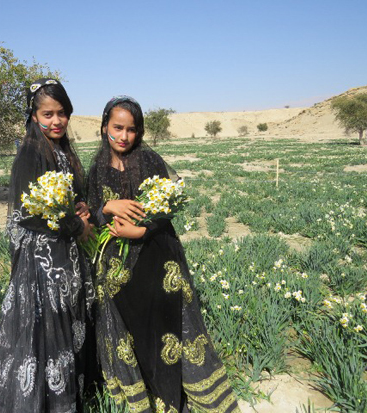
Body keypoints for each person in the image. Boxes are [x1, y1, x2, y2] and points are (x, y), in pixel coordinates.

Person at [87, 96, 239, 412]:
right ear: (105, 128)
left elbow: (166, 206)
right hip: (115, 266)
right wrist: (106, 207)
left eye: (132, 129)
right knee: (131, 332)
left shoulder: (149, 161)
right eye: (118, 128)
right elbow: (89, 209)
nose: (124, 136)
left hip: (155, 259)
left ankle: (173, 394)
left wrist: (141, 231)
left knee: (163, 326)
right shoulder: (98, 167)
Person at [0, 79, 95, 413]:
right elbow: (28, 213)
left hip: (65, 253)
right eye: (48, 114)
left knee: (64, 326)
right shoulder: (30, 152)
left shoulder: (62, 150)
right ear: (34, 115)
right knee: (43, 330)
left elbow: (65, 197)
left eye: (62, 113)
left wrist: (79, 207)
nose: (56, 121)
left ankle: (65, 397)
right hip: (42, 260)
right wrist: (76, 225)